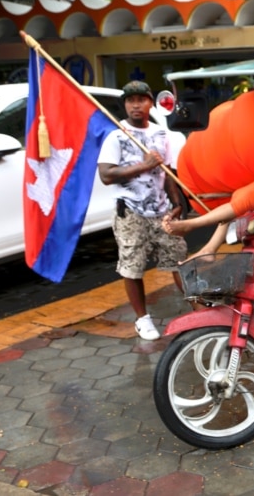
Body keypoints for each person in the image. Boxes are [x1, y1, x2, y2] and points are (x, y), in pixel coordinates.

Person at [98, 80, 188, 341]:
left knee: (179, 260)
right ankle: (142, 318)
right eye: (130, 100)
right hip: (131, 212)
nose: (136, 105)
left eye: (141, 99)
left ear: (150, 103)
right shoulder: (116, 135)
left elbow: (168, 172)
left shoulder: (162, 135)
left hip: (162, 212)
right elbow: (106, 174)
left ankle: (197, 305)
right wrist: (143, 165)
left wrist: (177, 202)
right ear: (125, 105)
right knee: (132, 267)